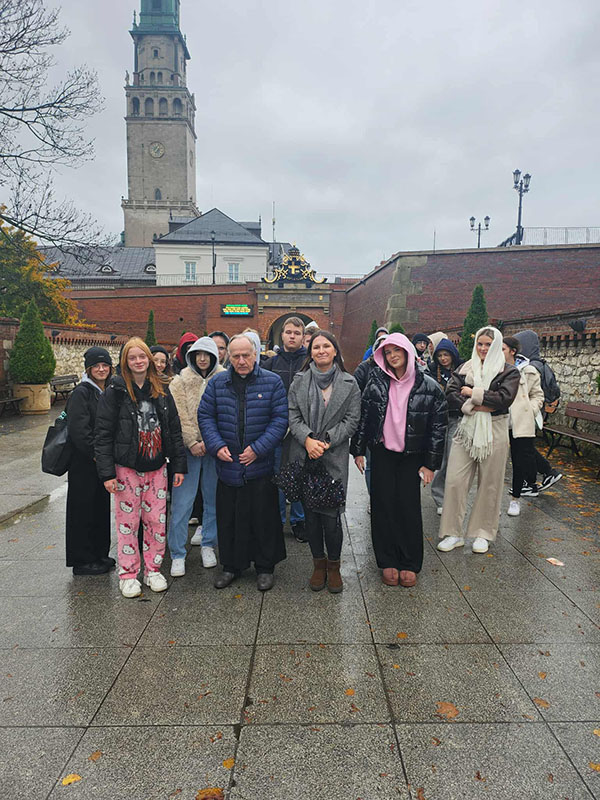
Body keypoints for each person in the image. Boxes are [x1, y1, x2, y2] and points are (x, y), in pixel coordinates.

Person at [351, 333, 448, 587]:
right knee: (382, 506)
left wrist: (431, 464)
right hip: (383, 452)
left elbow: (438, 429)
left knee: (408, 508)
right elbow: (364, 418)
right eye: (388, 352)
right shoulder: (375, 383)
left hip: (411, 456)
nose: (393, 356)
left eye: (397, 350)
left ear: (407, 351)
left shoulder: (429, 387)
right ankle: (387, 559)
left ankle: (410, 561)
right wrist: (358, 450)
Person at [95, 337, 187, 598]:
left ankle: (153, 569)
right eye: (132, 357)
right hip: (127, 468)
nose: (138, 361)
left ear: (149, 359)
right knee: (128, 523)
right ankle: (128, 574)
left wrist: (179, 465)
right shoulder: (115, 390)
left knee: (156, 522)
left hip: (157, 467)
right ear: (125, 362)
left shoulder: (161, 389)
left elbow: (174, 429)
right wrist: (107, 473)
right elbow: (103, 433)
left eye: (142, 356)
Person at [198, 333, 288, 591]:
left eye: (246, 355)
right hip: (228, 464)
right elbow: (206, 415)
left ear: (255, 354)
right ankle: (231, 566)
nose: (241, 361)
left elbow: (280, 419)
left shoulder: (272, 382)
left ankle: (265, 567)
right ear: (229, 357)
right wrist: (216, 446)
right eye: (236, 356)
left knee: (263, 518)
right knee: (230, 519)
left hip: (259, 465)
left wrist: (258, 449)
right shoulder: (218, 383)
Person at [288, 330, 361, 592]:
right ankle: (318, 565)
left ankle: (334, 566)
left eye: (326, 346)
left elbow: (352, 420)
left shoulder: (350, 383)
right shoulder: (299, 381)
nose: (321, 350)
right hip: (305, 455)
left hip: (333, 457)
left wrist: (327, 441)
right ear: (310, 353)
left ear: (335, 351)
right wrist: (308, 440)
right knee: (311, 516)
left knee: (331, 518)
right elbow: (293, 415)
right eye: (316, 347)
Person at [437, 327, 519, 555]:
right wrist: (475, 406)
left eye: (488, 345)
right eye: (480, 344)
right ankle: (453, 533)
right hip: (466, 426)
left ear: (497, 346)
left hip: (495, 428)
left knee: (490, 483)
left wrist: (473, 393)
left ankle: (483, 533)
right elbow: (451, 394)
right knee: (454, 480)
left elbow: (504, 399)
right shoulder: (465, 367)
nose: (483, 348)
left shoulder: (509, 371)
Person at [167, 337, 225, 576]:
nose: (202, 359)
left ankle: (208, 544)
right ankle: (177, 552)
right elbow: (178, 415)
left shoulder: (223, 378)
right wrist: (191, 441)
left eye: (206, 354)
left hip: (214, 449)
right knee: (182, 502)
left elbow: (224, 413)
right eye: (197, 354)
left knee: (213, 500)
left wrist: (211, 442)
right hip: (188, 451)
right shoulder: (179, 381)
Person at [65, 347, 115, 576]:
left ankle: (99, 554)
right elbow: (79, 430)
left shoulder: (107, 390)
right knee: (83, 510)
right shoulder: (82, 393)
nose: (101, 369)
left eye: (105, 365)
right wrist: (96, 454)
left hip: (102, 462)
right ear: (88, 369)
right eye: (96, 366)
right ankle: (83, 560)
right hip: (84, 462)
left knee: (100, 508)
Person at [263, 316, 308, 541]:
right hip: (276, 428)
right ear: (282, 335)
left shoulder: (308, 363)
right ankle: (278, 520)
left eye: (297, 333)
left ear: (303, 337)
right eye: (288, 332)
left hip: (301, 429)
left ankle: (299, 520)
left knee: (299, 474)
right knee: (278, 476)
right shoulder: (270, 364)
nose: (292, 336)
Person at [515, 329, 563, 493]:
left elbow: (528, 392)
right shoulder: (540, 363)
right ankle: (545, 474)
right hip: (534, 412)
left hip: (530, 412)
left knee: (525, 448)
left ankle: (537, 479)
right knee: (525, 447)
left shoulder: (531, 366)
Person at [502, 336, 545, 516]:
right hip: (499, 420)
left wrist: (530, 409)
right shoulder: (495, 368)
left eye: (503, 349)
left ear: (513, 351)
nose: (499, 353)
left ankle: (515, 499)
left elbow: (538, 395)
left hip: (521, 422)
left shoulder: (528, 370)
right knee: (494, 463)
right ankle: (491, 502)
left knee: (519, 461)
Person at [426, 337, 463, 514]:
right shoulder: (432, 372)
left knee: (454, 458)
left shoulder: (462, 370)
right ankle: (440, 497)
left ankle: (453, 497)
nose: (443, 358)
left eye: (446, 355)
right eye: (440, 355)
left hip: (457, 418)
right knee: (441, 460)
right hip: (438, 420)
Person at [353, 333, 387, 494]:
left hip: (390, 427)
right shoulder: (364, 368)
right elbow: (355, 393)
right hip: (370, 423)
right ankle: (373, 497)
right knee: (371, 464)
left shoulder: (395, 369)